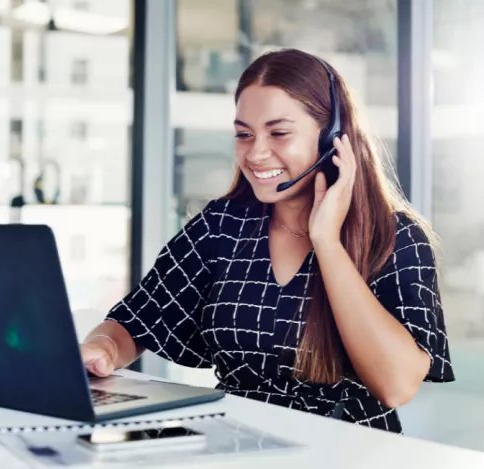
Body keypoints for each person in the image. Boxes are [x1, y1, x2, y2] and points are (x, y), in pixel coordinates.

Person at [80, 49, 455, 433]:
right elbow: (135, 320)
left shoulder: (395, 237)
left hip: (346, 452)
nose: (256, 153)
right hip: (234, 445)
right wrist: (103, 349)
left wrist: (326, 240)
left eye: (279, 133)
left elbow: (396, 385)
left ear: (332, 138)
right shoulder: (221, 226)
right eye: (244, 134)